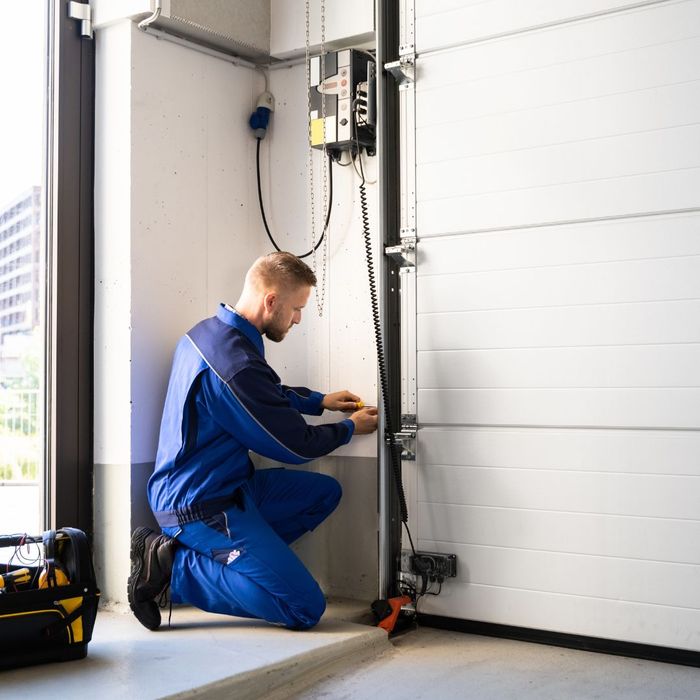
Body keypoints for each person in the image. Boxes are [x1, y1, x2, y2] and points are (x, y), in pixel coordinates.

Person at [128, 252, 378, 631]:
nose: (298, 319)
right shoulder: (234, 365)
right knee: (304, 608)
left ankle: (241, 565)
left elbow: (264, 393)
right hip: (198, 506)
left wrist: (319, 401)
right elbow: (296, 446)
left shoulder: (210, 334)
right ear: (271, 301)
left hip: (231, 487)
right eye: (296, 308)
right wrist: (347, 428)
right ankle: (173, 568)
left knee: (324, 493)